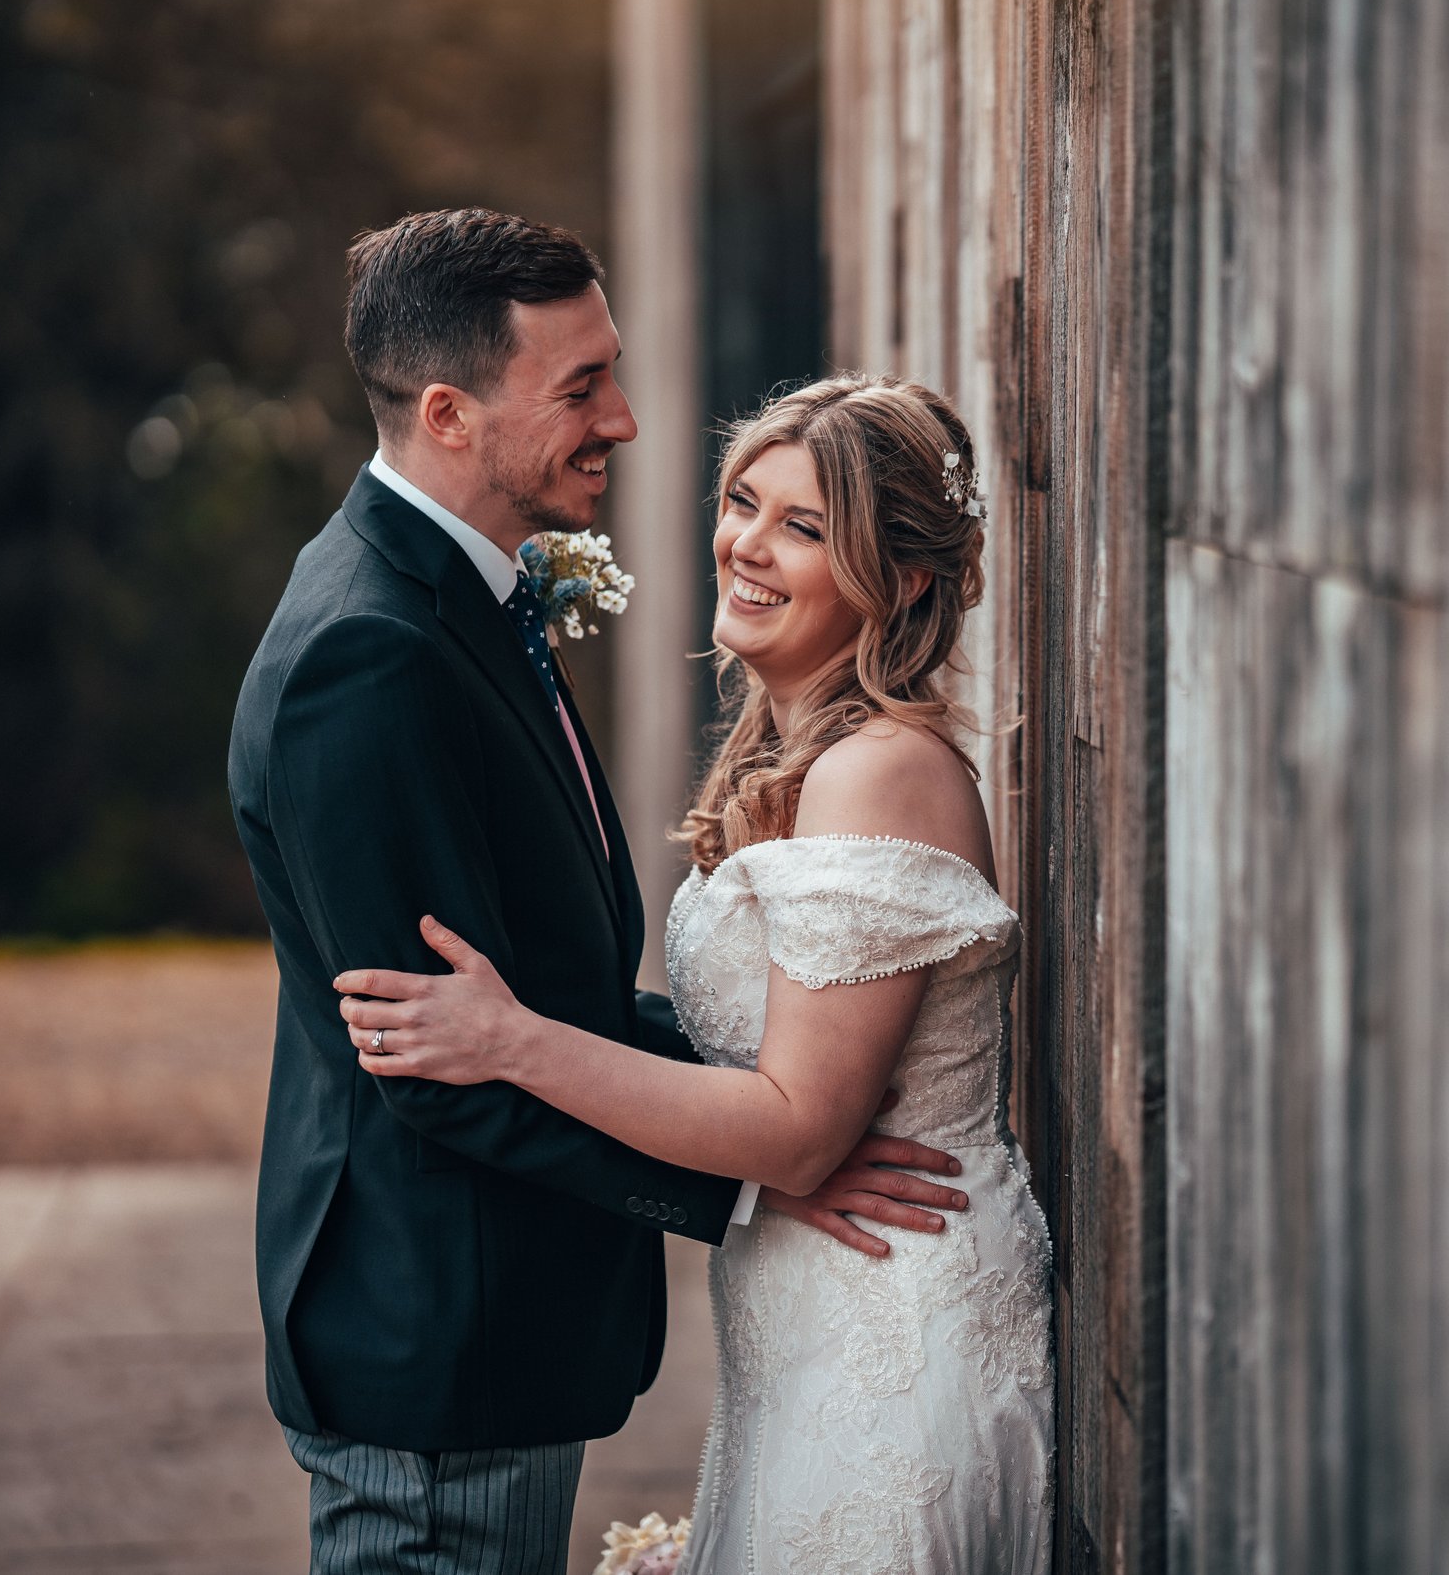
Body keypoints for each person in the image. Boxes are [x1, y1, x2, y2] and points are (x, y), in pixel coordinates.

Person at [226, 211, 971, 1575]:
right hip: (442, 1345)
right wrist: (769, 1162)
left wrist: (779, 1125)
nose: (624, 421)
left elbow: (528, 1002)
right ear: (451, 413)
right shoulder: (367, 654)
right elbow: (436, 1052)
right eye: (580, 385)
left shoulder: (458, 598)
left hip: (502, 1334)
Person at [336, 373, 1056, 1572]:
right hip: (808, 1320)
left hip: (890, 1329)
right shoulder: (794, 755)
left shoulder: (878, 771)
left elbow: (794, 1131)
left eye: (806, 527)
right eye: (743, 502)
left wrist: (511, 1038)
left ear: (907, 578)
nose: (747, 546)